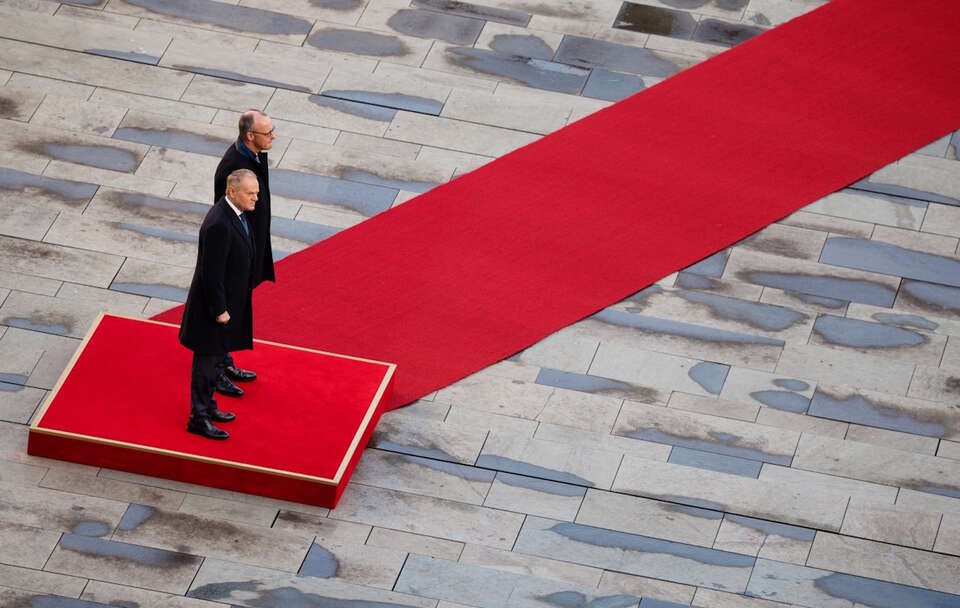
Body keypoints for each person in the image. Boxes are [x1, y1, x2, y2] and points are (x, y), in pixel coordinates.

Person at [180, 169, 259, 440]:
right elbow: (210, 273)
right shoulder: (219, 224)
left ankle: (209, 407)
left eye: (256, 193)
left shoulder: (235, 214)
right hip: (212, 313)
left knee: (215, 364)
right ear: (232, 192)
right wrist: (220, 311)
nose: (255, 198)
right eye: (250, 193)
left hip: (226, 306)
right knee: (206, 366)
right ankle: (198, 418)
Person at [211, 109, 276, 398]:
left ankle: (224, 362)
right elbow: (225, 216)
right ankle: (216, 371)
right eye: (267, 132)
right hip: (235, 255)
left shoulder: (253, 155)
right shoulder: (232, 167)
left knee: (235, 309)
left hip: (248, 248)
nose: (273, 136)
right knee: (224, 313)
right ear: (250, 136)